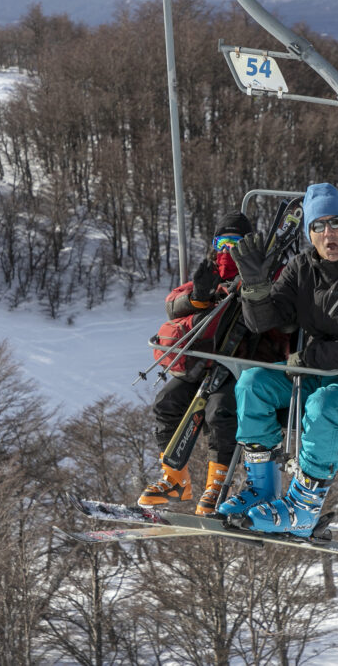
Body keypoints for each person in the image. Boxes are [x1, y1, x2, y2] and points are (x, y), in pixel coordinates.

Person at [216, 182, 338, 537]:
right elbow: (262, 322)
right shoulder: (302, 269)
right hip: (316, 373)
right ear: (309, 233)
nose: (329, 234)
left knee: (323, 403)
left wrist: (310, 356)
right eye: (319, 226)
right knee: (253, 384)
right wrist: (254, 287)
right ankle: (262, 488)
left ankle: (304, 507)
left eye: (336, 223)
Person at [139, 212, 286, 515]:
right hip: (204, 364)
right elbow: (173, 304)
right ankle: (174, 478)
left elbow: (274, 318)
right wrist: (200, 296)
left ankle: (218, 483)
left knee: (219, 409)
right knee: (168, 400)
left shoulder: (264, 275)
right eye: (222, 242)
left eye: (235, 243)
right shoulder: (211, 277)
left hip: (242, 365)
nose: (227, 250)